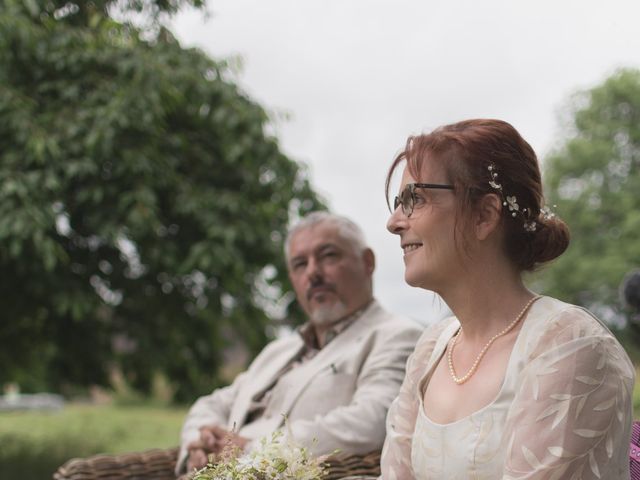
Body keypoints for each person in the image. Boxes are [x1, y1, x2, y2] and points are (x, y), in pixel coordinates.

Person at [381, 119, 635, 479]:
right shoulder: (430, 351)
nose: (393, 222)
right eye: (398, 202)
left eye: (415, 199)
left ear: (484, 215)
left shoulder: (569, 345)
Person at [176, 211, 422, 475]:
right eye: (300, 264)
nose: (313, 272)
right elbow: (212, 404)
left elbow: (372, 422)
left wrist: (250, 448)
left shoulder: (397, 336)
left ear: (367, 263)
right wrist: (200, 443)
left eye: (328, 256)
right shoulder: (278, 350)